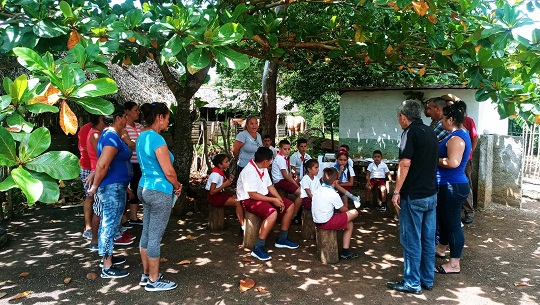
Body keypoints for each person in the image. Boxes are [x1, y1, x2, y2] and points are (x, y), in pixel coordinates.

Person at [386, 100, 438, 294]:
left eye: (399, 117)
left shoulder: (409, 133)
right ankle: (427, 279)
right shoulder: (430, 132)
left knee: (411, 240)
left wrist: (396, 191)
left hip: (414, 196)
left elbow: (405, 164)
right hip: (431, 195)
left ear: (403, 117)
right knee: (427, 238)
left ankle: (412, 282)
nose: (399, 121)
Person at [136, 102, 181, 291]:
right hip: (159, 191)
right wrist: (177, 186)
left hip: (144, 188)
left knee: (146, 233)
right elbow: (169, 172)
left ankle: (146, 275)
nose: (168, 122)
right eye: (167, 118)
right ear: (159, 117)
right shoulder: (157, 139)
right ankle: (154, 281)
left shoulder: (141, 137)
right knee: (155, 236)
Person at [88, 103, 133, 279]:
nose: (127, 120)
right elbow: (103, 164)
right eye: (125, 117)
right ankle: (107, 266)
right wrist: (95, 185)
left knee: (111, 223)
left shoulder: (111, 135)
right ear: (118, 118)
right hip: (112, 188)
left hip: (116, 186)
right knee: (109, 224)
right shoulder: (111, 137)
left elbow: (105, 162)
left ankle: (108, 258)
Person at [237, 147, 299, 261]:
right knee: (272, 213)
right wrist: (273, 200)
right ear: (265, 161)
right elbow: (252, 195)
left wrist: (279, 198)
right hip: (249, 200)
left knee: (289, 205)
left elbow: (270, 186)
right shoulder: (249, 171)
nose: (271, 163)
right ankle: (258, 247)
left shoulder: (263, 167)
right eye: (270, 160)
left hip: (263, 195)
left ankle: (282, 239)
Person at [434, 101, 472, 275]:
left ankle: (454, 264)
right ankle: (441, 247)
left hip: (452, 186)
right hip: (450, 185)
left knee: (453, 224)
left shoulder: (456, 138)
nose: (441, 122)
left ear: (450, 119)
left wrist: (433, 159)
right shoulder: (460, 133)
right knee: (444, 220)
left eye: (442, 118)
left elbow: (453, 162)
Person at [312, 167, 360, 259]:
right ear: (336, 182)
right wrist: (349, 212)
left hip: (317, 221)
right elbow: (343, 210)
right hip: (325, 222)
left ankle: (345, 250)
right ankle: (345, 251)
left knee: (349, 224)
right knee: (354, 212)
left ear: (322, 179)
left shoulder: (318, 190)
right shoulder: (333, 194)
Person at [206, 154, 244, 228]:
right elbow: (212, 192)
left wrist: (229, 181)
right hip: (214, 197)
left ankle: (242, 220)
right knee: (237, 202)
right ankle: (242, 224)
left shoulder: (221, 172)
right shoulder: (215, 175)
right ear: (220, 165)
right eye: (226, 162)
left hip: (220, 194)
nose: (228, 163)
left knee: (239, 197)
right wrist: (225, 184)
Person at [121, 101, 144, 226]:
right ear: (127, 111)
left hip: (139, 163)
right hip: (127, 163)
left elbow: (137, 144)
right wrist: (138, 144)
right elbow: (129, 144)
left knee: (136, 188)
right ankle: (123, 218)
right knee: (125, 189)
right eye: (135, 110)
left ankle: (134, 217)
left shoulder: (140, 127)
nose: (138, 112)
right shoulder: (123, 128)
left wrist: (136, 144)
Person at [271, 139, 303, 224]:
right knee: (302, 193)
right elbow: (285, 175)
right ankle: (293, 215)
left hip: (282, 180)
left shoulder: (283, 158)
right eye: (285, 149)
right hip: (280, 181)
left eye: (289, 149)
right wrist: (294, 183)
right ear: (280, 149)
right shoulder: (280, 159)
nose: (287, 151)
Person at [77, 120, 93, 240]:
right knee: (90, 196)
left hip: (96, 166)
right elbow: (85, 148)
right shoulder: (86, 128)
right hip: (88, 166)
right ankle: (88, 227)